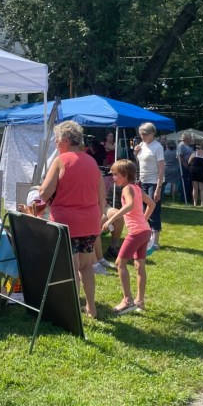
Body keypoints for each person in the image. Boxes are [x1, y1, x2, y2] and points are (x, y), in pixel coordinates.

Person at [39, 121, 105, 318]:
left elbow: (44, 193)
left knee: (71, 267)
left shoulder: (61, 160)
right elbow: (101, 195)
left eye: (57, 141)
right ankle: (91, 307)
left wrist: (39, 191)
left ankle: (73, 310)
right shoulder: (92, 162)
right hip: (89, 221)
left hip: (66, 223)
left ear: (66, 141)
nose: (56, 145)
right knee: (86, 267)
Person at [102, 159, 155, 314]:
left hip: (137, 233)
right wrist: (144, 220)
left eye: (115, 174)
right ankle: (140, 301)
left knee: (120, 263)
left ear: (124, 175)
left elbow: (130, 205)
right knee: (139, 266)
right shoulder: (137, 188)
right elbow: (151, 204)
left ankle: (127, 301)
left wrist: (111, 219)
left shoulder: (127, 189)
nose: (113, 177)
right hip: (145, 231)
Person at [134, 122, 165, 249]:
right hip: (143, 181)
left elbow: (162, 168)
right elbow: (140, 162)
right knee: (142, 211)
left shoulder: (157, 147)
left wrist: (158, 188)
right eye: (141, 134)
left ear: (152, 133)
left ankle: (156, 242)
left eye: (145, 134)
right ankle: (146, 238)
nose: (142, 136)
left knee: (153, 210)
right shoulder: (141, 145)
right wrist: (135, 153)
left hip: (154, 181)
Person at [177, 134, 194, 202]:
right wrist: (185, 164)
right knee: (184, 183)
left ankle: (188, 197)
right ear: (186, 138)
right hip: (184, 167)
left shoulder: (188, 146)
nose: (191, 139)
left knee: (188, 183)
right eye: (190, 137)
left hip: (189, 166)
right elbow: (179, 156)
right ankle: (184, 198)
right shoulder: (181, 145)